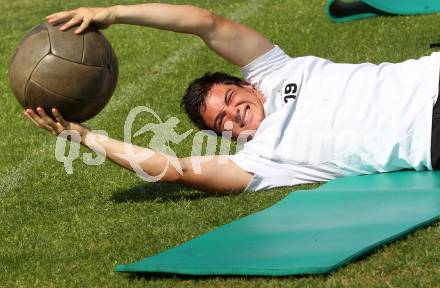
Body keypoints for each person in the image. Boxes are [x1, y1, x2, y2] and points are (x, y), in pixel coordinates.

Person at [24, 3, 440, 193]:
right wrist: (87, 139)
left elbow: (204, 22)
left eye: (226, 97)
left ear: (247, 84)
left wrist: (111, 13)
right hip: (431, 134)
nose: (230, 114)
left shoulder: (276, 70)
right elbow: (176, 170)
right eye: (219, 122)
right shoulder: (262, 160)